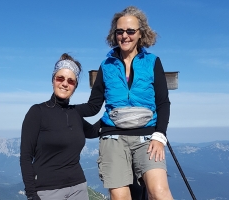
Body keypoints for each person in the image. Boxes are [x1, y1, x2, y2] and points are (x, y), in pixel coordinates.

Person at [75, 6, 174, 200]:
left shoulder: (152, 62)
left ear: (140, 34)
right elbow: (94, 106)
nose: (125, 36)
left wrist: (160, 136)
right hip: (113, 138)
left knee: (160, 193)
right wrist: (67, 109)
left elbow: (163, 103)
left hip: (147, 137)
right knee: (120, 197)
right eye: (120, 31)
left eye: (130, 31)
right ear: (114, 34)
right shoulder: (107, 65)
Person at [20, 53, 100, 200]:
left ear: (74, 87)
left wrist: (117, 110)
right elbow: (25, 157)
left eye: (71, 81)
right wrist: (31, 195)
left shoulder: (75, 113)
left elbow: (95, 131)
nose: (65, 83)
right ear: (53, 80)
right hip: (48, 191)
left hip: (78, 188)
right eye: (60, 78)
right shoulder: (38, 112)